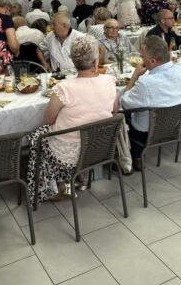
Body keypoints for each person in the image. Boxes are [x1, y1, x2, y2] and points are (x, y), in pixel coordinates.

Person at [27, 35, 118, 202]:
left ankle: (53, 188)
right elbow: (115, 110)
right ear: (95, 61)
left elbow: (48, 119)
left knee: (36, 137)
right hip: (100, 147)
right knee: (57, 134)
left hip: (69, 154)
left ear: (74, 62)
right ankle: (72, 181)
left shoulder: (64, 87)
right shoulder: (109, 81)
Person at [119, 36, 181, 169]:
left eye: (143, 57)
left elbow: (124, 102)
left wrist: (135, 76)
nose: (141, 59)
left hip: (147, 131)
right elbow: (178, 62)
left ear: (152, 61)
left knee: (121, 113)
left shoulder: (145, 83)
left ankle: (134, 156)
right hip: (174, 126)